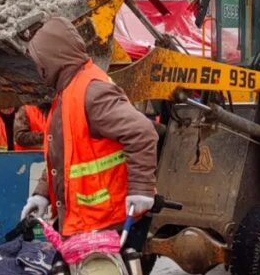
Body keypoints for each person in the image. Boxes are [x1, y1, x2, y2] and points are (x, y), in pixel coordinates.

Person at [20, 17, 157, 238]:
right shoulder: (68, 93)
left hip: (109, 221)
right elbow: (64, 158)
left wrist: (141, 189)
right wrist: (42, 194)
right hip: (91, 222)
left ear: (52, 58)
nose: (38, 68)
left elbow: (142, 131)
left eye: (39, 61)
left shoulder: (90, 92)